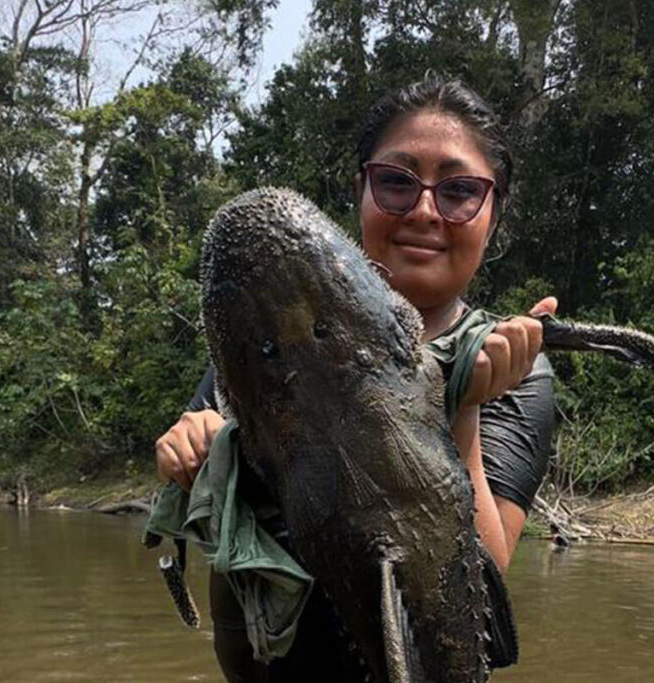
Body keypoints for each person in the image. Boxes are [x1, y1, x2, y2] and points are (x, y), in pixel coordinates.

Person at [154, 72, 557, 681]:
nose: (425, 211)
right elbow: (198, 448)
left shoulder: (514, 366)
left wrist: (465, 410)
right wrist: (186, 450)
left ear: (492, 215)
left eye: (459, 191)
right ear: (361, 193)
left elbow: (483, 584)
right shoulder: (272, 344)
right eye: (396, 182)